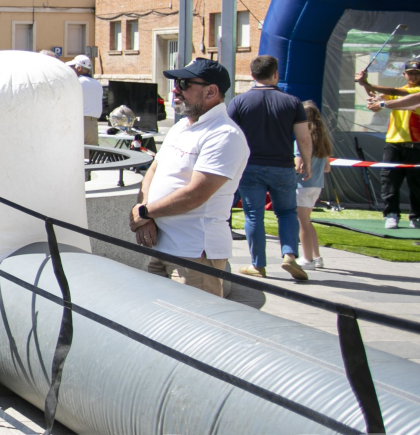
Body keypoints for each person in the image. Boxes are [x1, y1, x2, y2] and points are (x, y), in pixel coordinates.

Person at [129, 59, 247, 297]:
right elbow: (154, 170)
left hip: (194, 254)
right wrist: (145, 213)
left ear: (211, 91)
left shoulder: (224, 134)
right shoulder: (181, 126)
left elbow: (195, 194)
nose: (175, 90)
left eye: (183, 84)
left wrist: (144, 213)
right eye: (176, 83)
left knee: (194, 320)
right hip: (161, 246)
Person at [227, 55, 312, 280]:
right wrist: (307, 162)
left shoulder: (239, 102)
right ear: (276, 74)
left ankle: (258, 265)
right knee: (287, 212)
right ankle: (289, 255)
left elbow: (228, 135)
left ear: (252, 75)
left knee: (253, 216)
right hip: (283, 166)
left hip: (249, 166)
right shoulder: (292, 102)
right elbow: (304, 138)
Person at [358, 57, 420, 230]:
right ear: (404, 74)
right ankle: (391, 214)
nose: (413, 76)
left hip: (416, 144)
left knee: (417, 183)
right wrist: (366, 86)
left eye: (417, 73)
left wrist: (376, 95)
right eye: (410, 73)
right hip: (394, 143)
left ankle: (417, 216)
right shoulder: (399, 91)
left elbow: (398, 97)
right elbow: (378, 98)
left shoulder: (413, 92)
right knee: (390, 181)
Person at [296, 100, 332, 271]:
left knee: (302, 223)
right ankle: (316, 257)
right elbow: (327, 168)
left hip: (302, 185)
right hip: (317, 185)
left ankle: (307, 259)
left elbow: (297, 167)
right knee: (308, 222)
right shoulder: (323, 140)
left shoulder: (301, 139)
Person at [70, 55, 103, 145]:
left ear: (79, 68)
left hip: (80, 122)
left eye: (73, 67)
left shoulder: (77, 82)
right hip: (93, 124)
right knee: (90, 152)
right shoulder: (97, 83)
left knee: (76, 151)